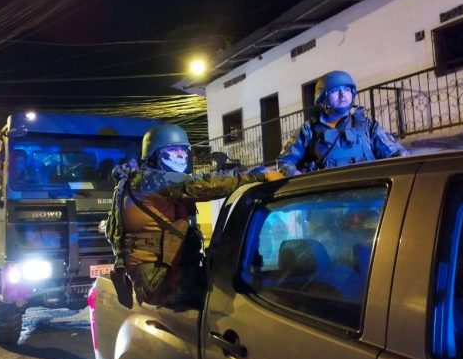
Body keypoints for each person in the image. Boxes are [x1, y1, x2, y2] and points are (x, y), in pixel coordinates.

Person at [106, 124, 282, 309]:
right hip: (160, 283)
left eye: (183, 151)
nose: (180, 156)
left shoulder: (135, 181)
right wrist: (259, 176)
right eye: (173, 150)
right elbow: (201, 185)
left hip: (164, 276)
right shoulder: (150, 180)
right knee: (244, 295)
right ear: (154, 154)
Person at [277, 70, 409, 177]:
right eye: (335, 91)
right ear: (322, 97)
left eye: (346, 89)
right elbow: (285, 162)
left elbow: (399, 157)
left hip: (368, 202)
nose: (342, 95)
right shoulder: (308, 131)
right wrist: (302, 181)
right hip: (325, 204)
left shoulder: (368, 127)